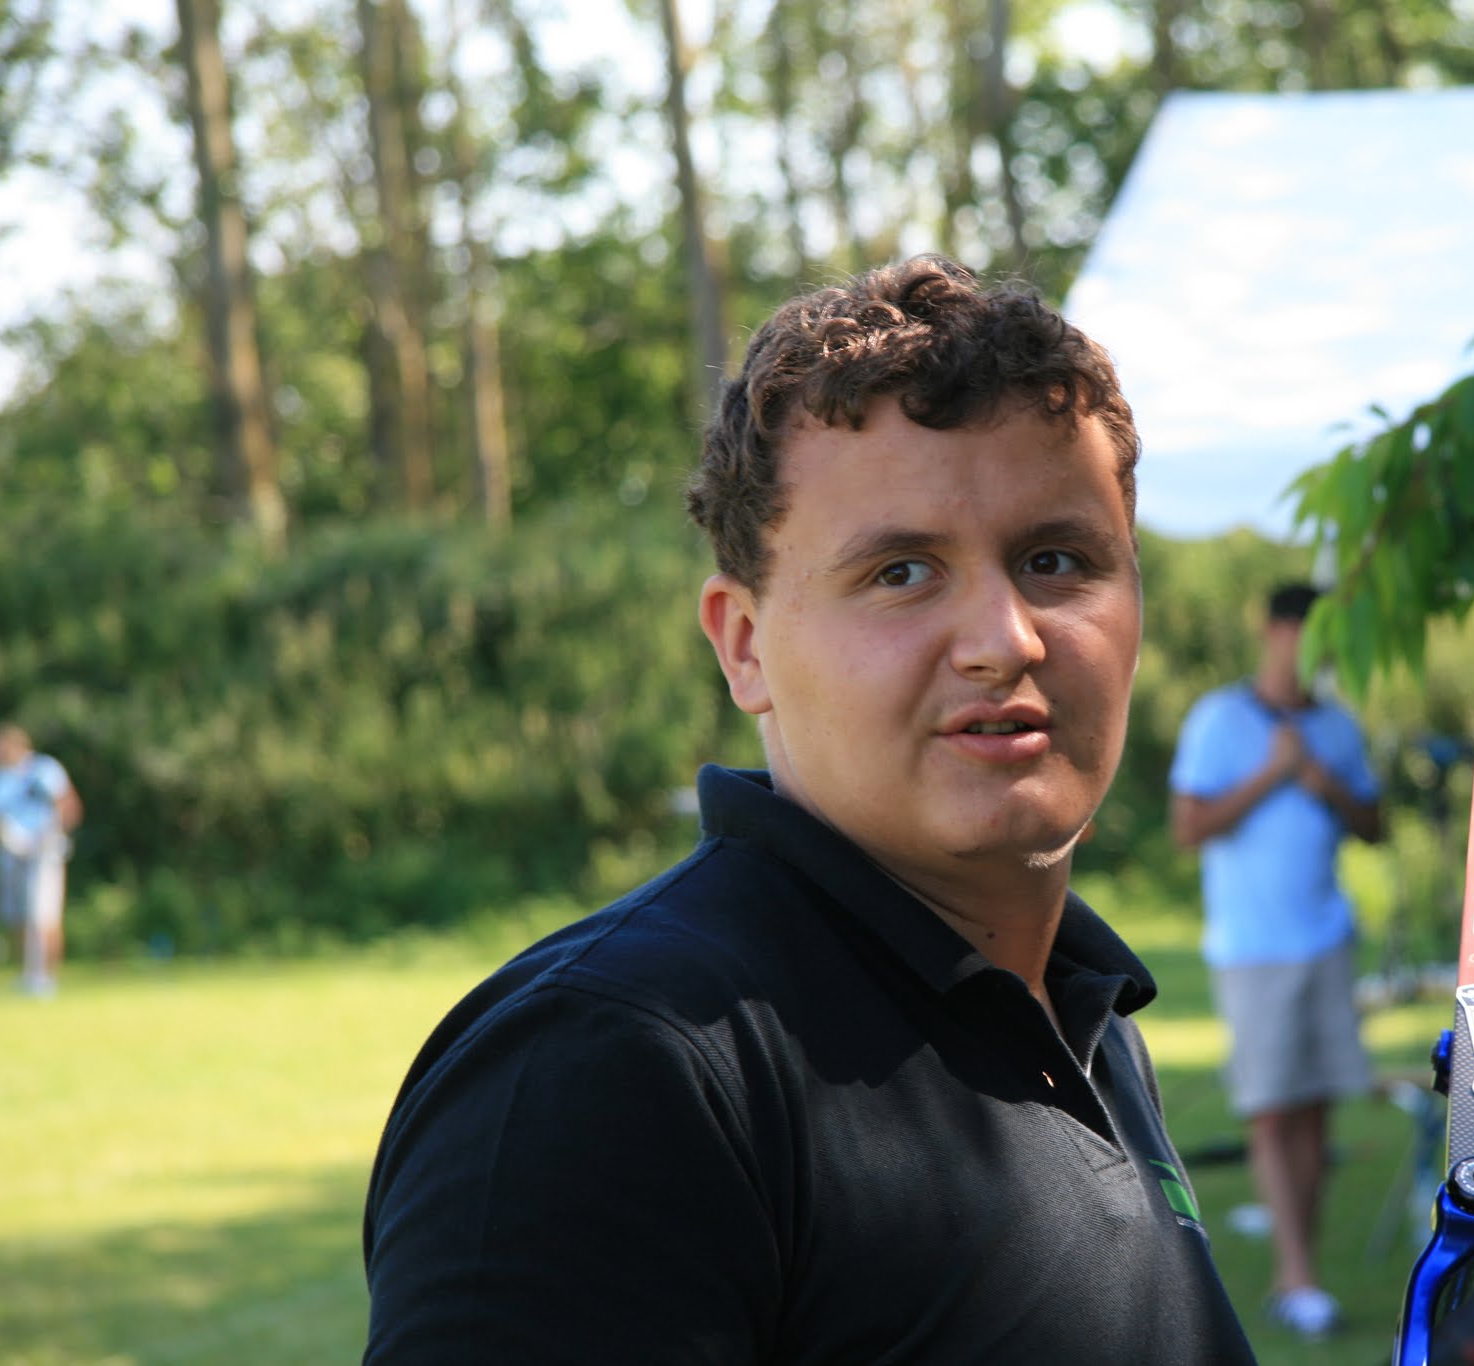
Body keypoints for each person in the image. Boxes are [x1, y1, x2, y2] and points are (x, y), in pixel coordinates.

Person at [362, 257, 1256, 1363]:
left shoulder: (1085, 1019)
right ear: (744, 645)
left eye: (1054, 559)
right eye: (901, 572)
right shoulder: (609, 1069)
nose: (1005, 639)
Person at [1167, 582, 1384, 1340]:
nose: (1312, 647)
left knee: (1317, 1106)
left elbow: (1375, 824)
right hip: (1252, 946)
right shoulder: (1219, 718)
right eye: (1302, 630)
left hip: (1326, 939)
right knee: (1271, 1110)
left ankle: (1303, 1270)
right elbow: (1188, 827)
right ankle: (1296, 1279)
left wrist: (1325, 785)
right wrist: (1273, 774)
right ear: (1273, 630)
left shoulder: (1339, 725)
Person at [0, 724, 81, 996]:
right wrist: (6, 840)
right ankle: (28, 974)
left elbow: (68, 805)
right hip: (11, 855)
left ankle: (48, 977)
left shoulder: (43, 769)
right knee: (19, 916)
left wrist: (53, 835)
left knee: (43, 914)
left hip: (44, 852)